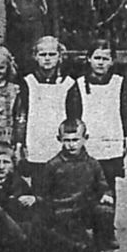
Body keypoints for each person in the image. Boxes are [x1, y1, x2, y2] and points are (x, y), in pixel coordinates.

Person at [66, 40, 127, 249]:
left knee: (108, 185)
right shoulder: (79, 84)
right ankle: (84, 229)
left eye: (105, 58)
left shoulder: (119, 83)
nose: (101, 62)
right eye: (97, 58)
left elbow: (125, 111)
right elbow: (73, 114)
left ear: (112, 61)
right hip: (89, 142)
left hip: (111, 140)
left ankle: (106, 231)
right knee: (85, 184)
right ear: (89, 59)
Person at [34, 118, 116, 249]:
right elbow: (44, 192)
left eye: (75, 140)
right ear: (59, 139)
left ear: (85, 138)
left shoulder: (92, 164)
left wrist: (106, 194)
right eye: (67, 140)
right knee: (74, 245)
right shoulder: (53, 165)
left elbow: (103, 185)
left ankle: (103, 241)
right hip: (62, 211)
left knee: (104, 210)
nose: (71, 145)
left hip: (85, 208)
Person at [16, 35, 74, 184]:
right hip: (36, 141)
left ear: (60, 57)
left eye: (52, 54)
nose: (47, 58)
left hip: (59, 142)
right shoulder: (28, 82)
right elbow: (21, 114)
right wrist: (20, 143)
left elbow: (74, 115)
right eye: (42, 54)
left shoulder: (68, 83)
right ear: (35, 57)